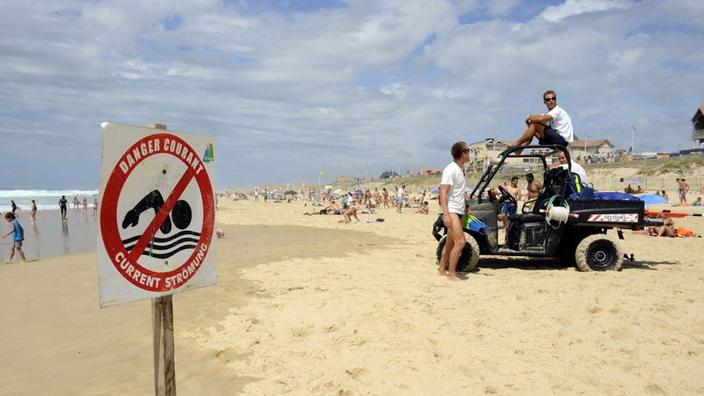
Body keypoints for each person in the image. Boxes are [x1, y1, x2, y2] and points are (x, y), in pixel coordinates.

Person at [438, 141, 470, 281]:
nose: (469, 153)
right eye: (468, 151)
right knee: (461, 242)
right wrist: (445, 214)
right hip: (451, 210)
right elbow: (443, 192)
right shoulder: (450, 169)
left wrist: (466, 206)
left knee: (450, 243)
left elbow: (458, 192)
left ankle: (441, 268)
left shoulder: (460, 169)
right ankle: (451, 273)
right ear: (463, 153)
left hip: (459, 210)